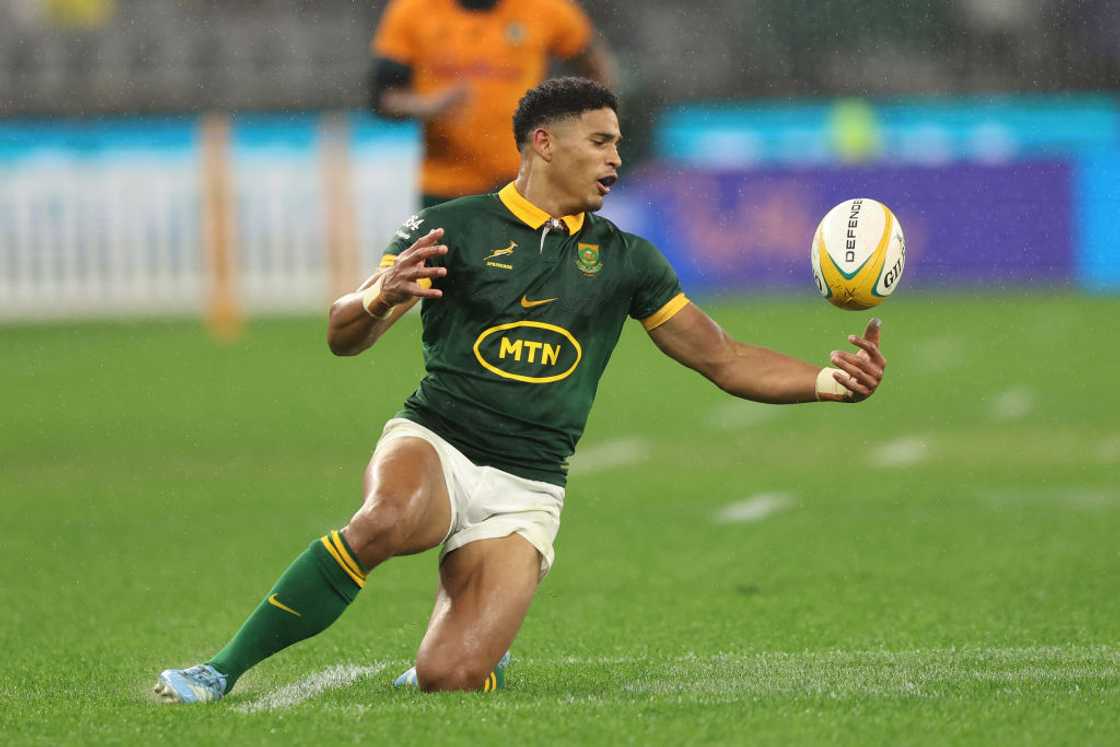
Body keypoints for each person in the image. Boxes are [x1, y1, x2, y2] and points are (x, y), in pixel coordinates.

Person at [154, 77, 887, 703]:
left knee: (449, 676)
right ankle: (218, 670)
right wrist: (381, 298)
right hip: (438, 439)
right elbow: (343, 332)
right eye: (600, 141)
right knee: (383, 519)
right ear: (543, 142)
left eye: (619, 144)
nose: (616, 158)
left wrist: (830, 382)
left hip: (529, 482)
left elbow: (721, 357)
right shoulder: (448, 228)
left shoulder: (626, 259)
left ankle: (480, 642)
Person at [368, 0, 613, 208]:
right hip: (444, 187)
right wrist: (429, 106)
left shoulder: (545, 8)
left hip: (524, 183)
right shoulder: (414, 10)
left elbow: (594, 69)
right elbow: (383, 99)